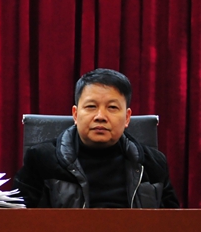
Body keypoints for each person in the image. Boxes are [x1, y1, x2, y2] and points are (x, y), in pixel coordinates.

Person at [14, 68, 179, 208]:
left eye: (112, 107)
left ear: (127, 118)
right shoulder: (41, 160)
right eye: (91, 106)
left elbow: (173, 226)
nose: (100, 116)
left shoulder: (153, 165)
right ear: (75, 114)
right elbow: (18, 223)